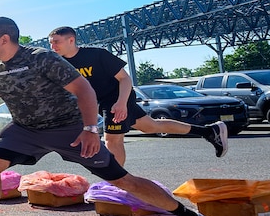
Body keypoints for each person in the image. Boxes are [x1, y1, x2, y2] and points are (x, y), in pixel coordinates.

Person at [0, 17, 240, 216]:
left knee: (123, 180)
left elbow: (84, 90)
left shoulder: (42, 58)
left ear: (4, 39)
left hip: (68, 128)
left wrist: (91, 129)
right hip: (26, 129)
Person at [48, 26, 226, 165]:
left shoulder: (97, 54)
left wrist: (121, 103)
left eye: (56, 42)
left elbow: (125, 79)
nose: (52, 46)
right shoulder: (60, 63)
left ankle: (115, 183)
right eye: (50, 43)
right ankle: (209, 131)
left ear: (71, 40)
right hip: (100, 101)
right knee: (150, 126)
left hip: (117, 97)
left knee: (112, 140)